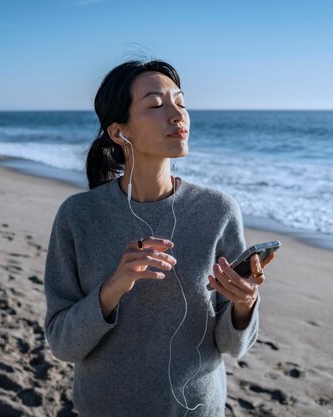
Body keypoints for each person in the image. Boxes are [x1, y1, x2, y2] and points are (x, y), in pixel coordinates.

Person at [43, 59, 275, 417]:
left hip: (197, 410)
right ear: (120, 132)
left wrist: (244, 306)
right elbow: (62, 344)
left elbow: (231, 345)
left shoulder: (217, 211)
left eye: (180, 102)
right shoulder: (79, 217)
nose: (177, 115)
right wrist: (113, 288)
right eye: (155, 105)